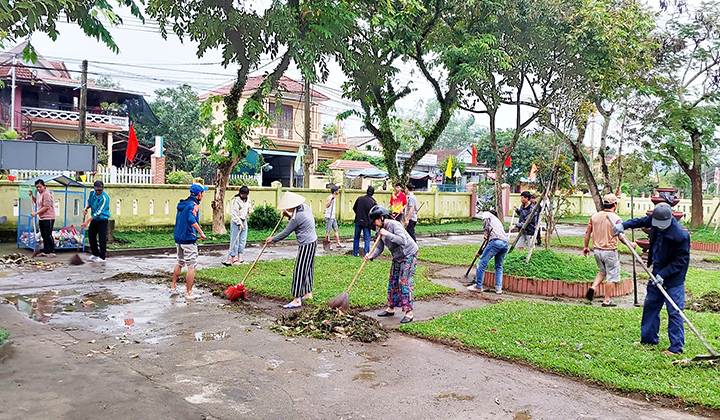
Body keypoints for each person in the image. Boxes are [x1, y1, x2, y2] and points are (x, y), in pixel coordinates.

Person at [613, 202, 690, 355]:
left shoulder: (680, 235)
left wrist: (664, 274)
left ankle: (676, 348)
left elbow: (681, 262)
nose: (660, 226)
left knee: (674, 311)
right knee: (651, 305)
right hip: (656, 272)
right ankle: (648, 339)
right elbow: (640, 221)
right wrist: (624, 225)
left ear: (671, 218)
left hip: (673, 277)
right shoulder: (655, 219)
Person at [365, 205, 419, 324]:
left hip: (409, 254)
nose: (374, 223)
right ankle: (391, 308)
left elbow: (403, 240)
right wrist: (371, 255)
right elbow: (379, 247)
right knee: (393, 280)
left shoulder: (394, 225)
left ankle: (409, 313)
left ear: (382, 218)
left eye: (375, 220)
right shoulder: (380, 230)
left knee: (404, 281)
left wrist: (387, 234)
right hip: (397, 256)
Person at [267, 191, 317, 308]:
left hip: (306, 244)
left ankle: (297, 298)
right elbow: (297, 222)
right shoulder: (305, 207)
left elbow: (286, 232)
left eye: (288, 207)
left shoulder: (298, 217)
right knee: (308, 268)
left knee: (299, 270)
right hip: (313, 241)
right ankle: (308, 292)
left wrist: (272, 239)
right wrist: (288, 216)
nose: (287, 209)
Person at [584, 193, 623, 307]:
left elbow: (587, 233)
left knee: (602, 271)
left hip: (597, 251)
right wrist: (631, 244)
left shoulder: (594, 216)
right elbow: (621, 236)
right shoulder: (616, 218)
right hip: (609, 251)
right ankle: (607, 300)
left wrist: (586, 247)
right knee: (611, 275)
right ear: (614, 205)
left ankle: (593, 287)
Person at [170, 183, 208, 300]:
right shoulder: (193, 205)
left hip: (179, 238)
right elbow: (191, 220)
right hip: (188, 239)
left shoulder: (182, 204)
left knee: (180, 262)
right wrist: (201, 233)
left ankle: (173, 286)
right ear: (199, 194)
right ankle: (189, 292)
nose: (203, 195)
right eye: (202, 193)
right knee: (191, 266)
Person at [467, 210, 509, 294]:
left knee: (482, 263)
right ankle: (498, 288)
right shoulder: (497, 222)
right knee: (499, 266)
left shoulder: (487, 214)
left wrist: (485, 233)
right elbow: (489, 243)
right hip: (505, 243)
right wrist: (480, 252)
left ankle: (478, 286)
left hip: (495, 242)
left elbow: (492, 242)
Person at [81, 180, 111, 262]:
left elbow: (98, 212)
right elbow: (90, 202)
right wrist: (86, 208)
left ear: (102, 189)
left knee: (102, 238)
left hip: (102, 219)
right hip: (94, 219)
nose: (98, 192)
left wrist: (87, 221)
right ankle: (95, 253)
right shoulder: (92, 193)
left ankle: (102, 257)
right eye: (96, 190)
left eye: (99, 190)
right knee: (91, 235)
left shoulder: (105, 198)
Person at [29, 179, 56, 257]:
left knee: (48, 234)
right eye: (37, 187)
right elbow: (37, 202)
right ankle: (46, 250)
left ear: (44, 186)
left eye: (40, 187)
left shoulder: (47, 194)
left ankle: (51, 251)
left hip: (49, 217)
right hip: (41, 217)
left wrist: (36, 213)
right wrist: (32, 197)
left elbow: (46, 207)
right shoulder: (38, 193)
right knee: (43, 235)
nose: (38, 189)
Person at [227, 185, 253, 265]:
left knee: (242, 240)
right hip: (236, 222)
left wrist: (250, 210)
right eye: (243, 195)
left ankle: (240, 258)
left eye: (246, 195)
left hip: (244, 220)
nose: (245, 196)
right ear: (240, 193)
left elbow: (249, 206)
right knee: (235, 240)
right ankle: (233, 259)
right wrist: (239, 223)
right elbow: (234, 214)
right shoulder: (236, 200)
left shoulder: (247, 198)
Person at [352, 186, 377, 257]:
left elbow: (354, 208)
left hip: (358, 221)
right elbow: (374, 214)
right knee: (367, 239)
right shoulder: (373, 202)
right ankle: (366, 254)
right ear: (372, 193)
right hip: (367, 223)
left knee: (356, 237)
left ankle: (355, 253)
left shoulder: (360, 199)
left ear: (366, 191)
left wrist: (359, 215)